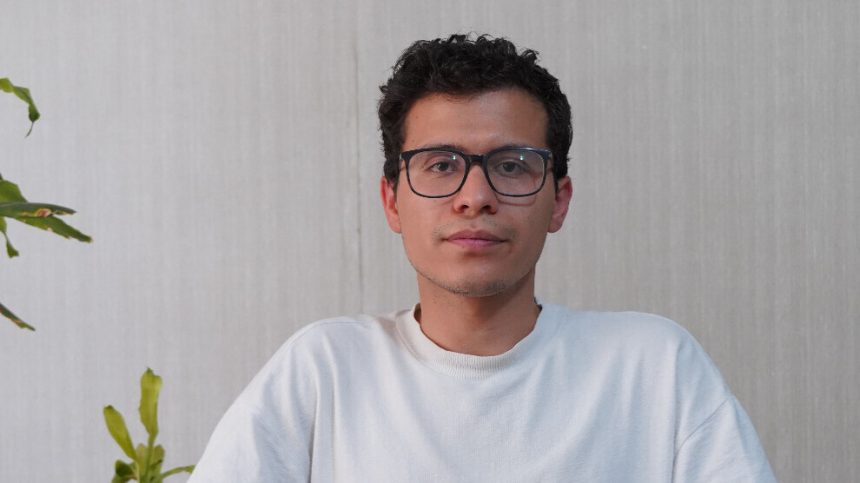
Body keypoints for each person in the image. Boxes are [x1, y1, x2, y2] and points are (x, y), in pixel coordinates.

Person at [189, 34, 776, 482]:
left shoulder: (653, 367)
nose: (475, 197)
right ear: (392, 200)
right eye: (441, 164)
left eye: (512, 165)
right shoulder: (324, 370)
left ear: (559, 201)